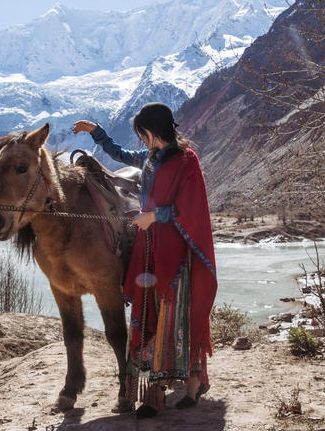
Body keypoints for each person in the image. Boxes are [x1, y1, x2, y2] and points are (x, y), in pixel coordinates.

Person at [73, 102, 217, 419]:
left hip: (178, 255)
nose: (141, 140)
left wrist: (153, 215)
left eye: (143, 133)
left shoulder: (186, 161)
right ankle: (156, 392)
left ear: (154, 131)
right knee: (153, 317)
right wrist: (97, 132)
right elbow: (121, 155)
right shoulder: (150, 158)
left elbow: (190, 209)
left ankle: (188, 386)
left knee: (175, 317)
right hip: (151, 251)